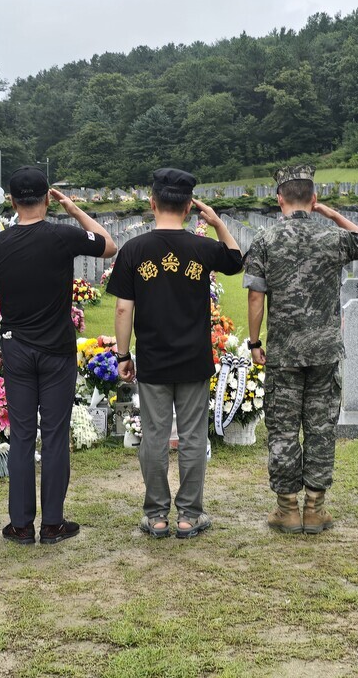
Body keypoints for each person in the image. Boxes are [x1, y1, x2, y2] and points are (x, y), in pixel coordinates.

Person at [0, 167, 117, 546]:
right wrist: (73, 211)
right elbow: (109, 244)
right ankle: (53, 522)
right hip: (57, 348)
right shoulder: (63, 236)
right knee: (54, 436)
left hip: (16, 347)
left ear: (11, 200)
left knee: (21, 437)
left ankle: (20, 524)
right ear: (47, 197)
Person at [107, 168, 243, 539]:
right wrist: (216, 223)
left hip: (153, 359)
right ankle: (189, 515)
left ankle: (156, 516)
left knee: (153, 436)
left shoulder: (134, 250)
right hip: (193, 358)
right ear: (188, 207)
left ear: (152, 204)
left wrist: (122, 356)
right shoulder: (201, 248)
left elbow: (123, 309)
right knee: (193, 436)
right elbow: (235, 260)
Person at [243, 164, 358, 535]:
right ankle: (315, 509)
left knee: (283, 429)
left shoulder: (266, 240)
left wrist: (254, 342)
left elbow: (256, 296)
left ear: (279, 199)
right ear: (313, 199)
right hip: (324, 350)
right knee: (320, 428)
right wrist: (330, 214)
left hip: (283, 352)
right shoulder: (331, 238)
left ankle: (287, 510)